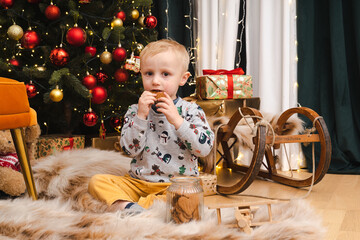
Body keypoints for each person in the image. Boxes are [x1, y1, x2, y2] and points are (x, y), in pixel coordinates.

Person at [88, 39, 214, 213]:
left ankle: (134, 208)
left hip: (175, 186)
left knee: (185, 198)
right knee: (96, 182)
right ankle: (131, 207)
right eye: (148, 73)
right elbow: (129, 150)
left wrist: (178, 121)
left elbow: (204, 149)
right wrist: (140, 117)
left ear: (183, 79)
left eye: (165, 74)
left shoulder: (191, 110)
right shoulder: (135, 110)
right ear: (141, 75)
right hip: (138, 183)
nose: (155, 81)